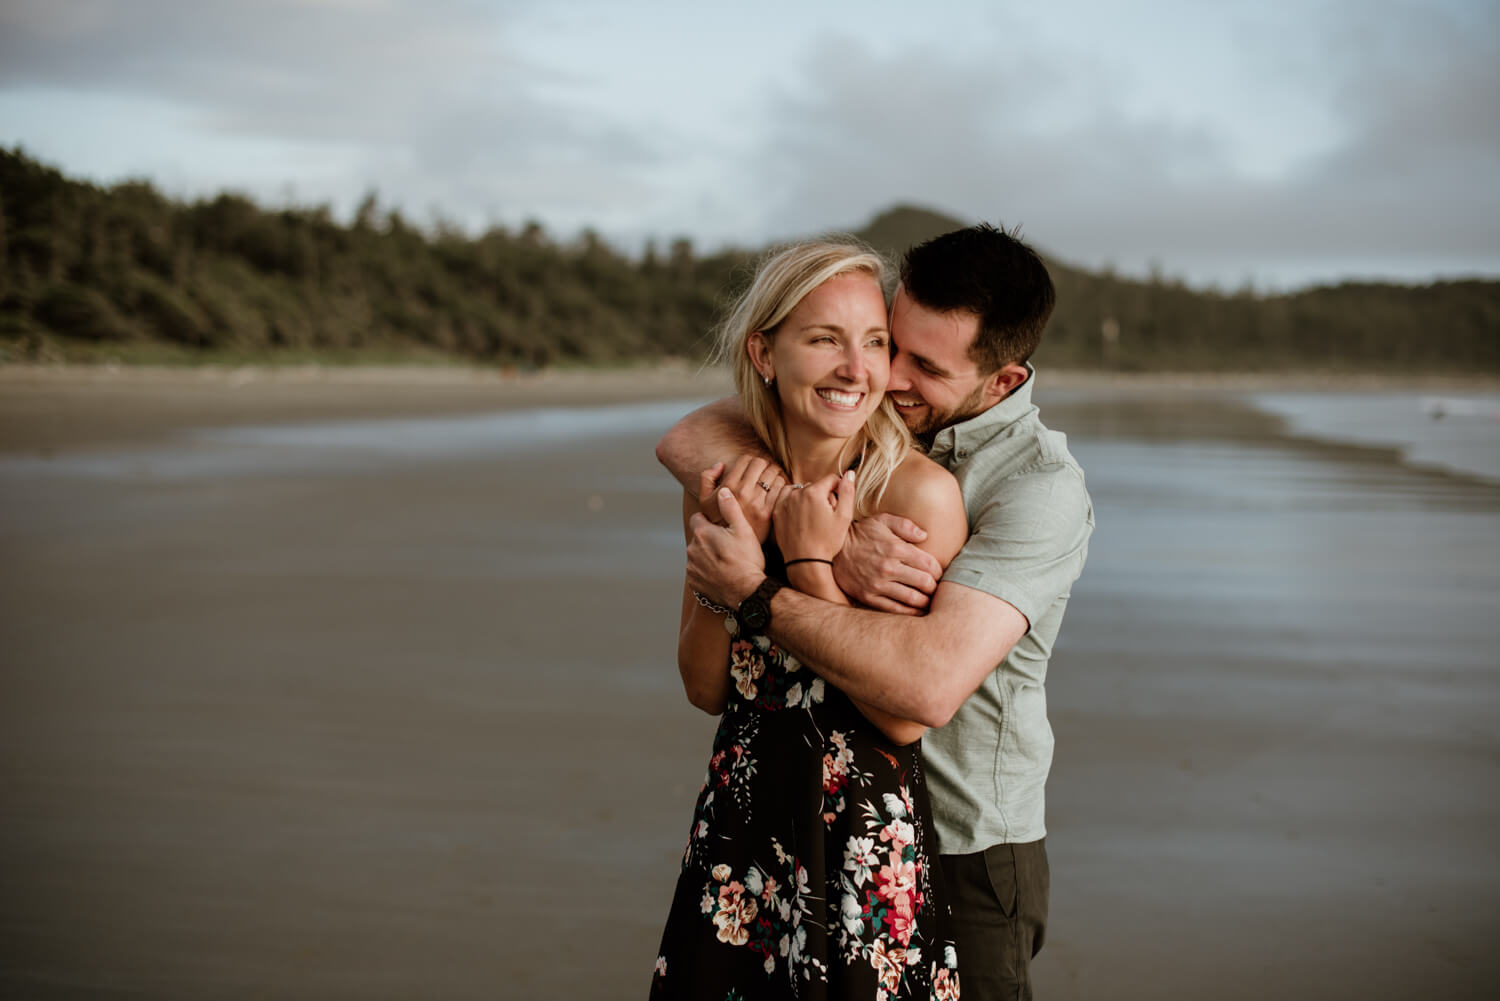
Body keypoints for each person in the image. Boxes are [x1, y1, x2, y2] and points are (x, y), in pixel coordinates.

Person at [658, 224, 1094, 1001]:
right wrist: (771, 524)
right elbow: (690, 434)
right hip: (755, 831)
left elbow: (918, 697)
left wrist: (787, 573)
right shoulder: (809, 445)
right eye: (894, 343)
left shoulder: (1036, 491)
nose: (883, 377)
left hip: (954, 840)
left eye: (921, 366)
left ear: (1000, 381)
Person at [651, 239, 969, 998]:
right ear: (765, 351)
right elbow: (703, 686)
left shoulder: (915, 498)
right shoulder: (723, 483)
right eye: (825, 339)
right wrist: (721, 578)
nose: (856, 369)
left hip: (862, 841)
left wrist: (808, 565)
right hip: (743, 826)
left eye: (874, 343)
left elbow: (898, 719)